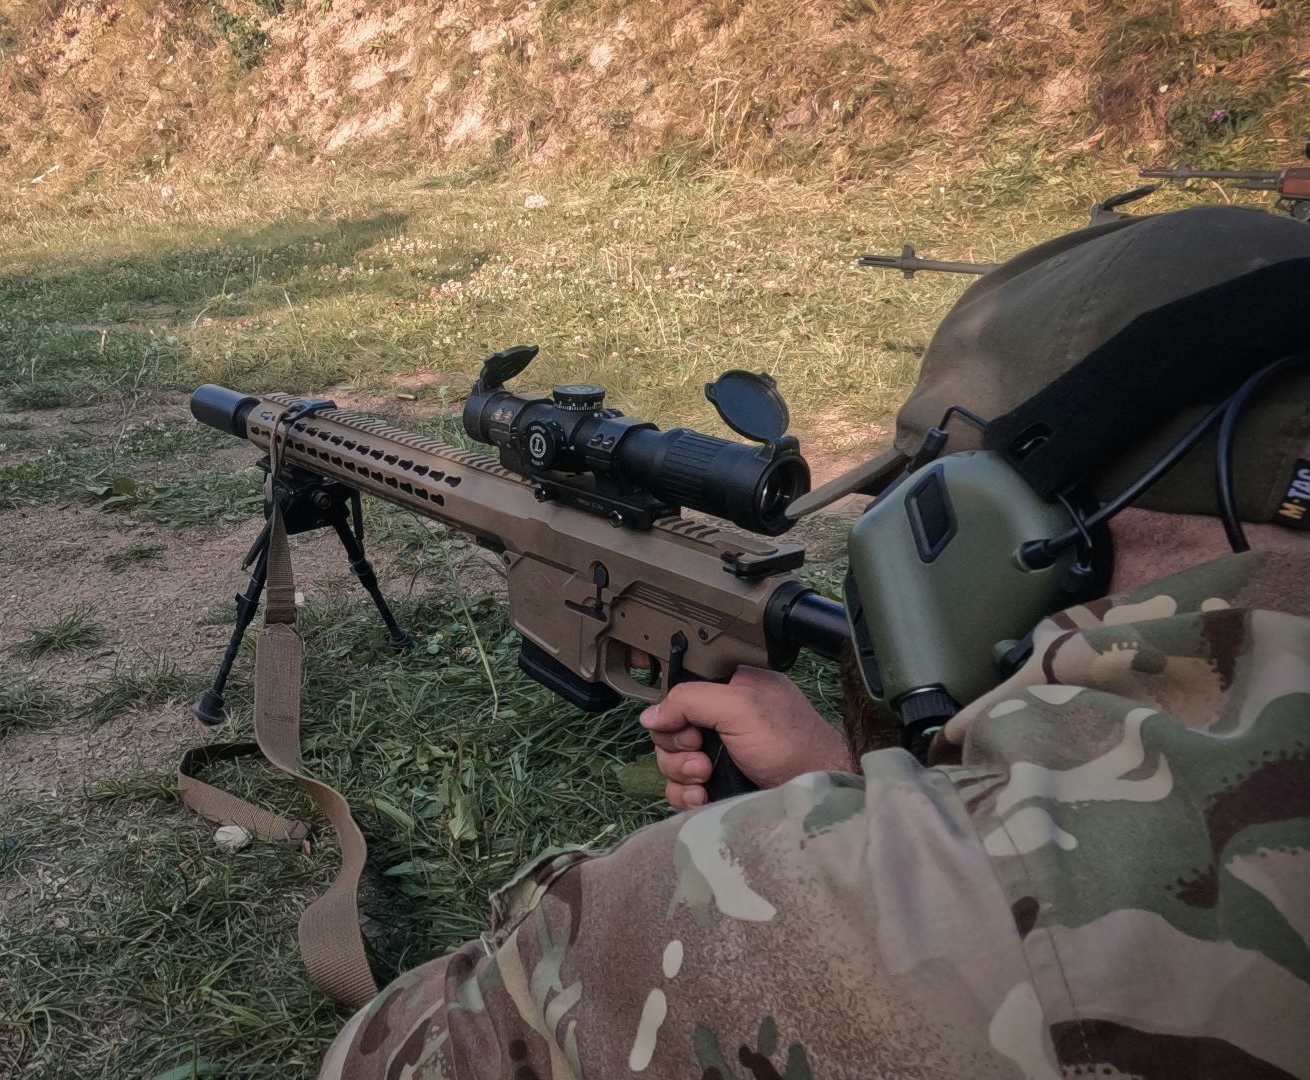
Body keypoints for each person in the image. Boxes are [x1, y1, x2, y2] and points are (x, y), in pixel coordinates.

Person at [319, 204, 1310, 1079]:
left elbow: (398, 1052)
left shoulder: (958, 911)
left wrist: (812, 845)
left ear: (1004, 526)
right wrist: (855, 776)